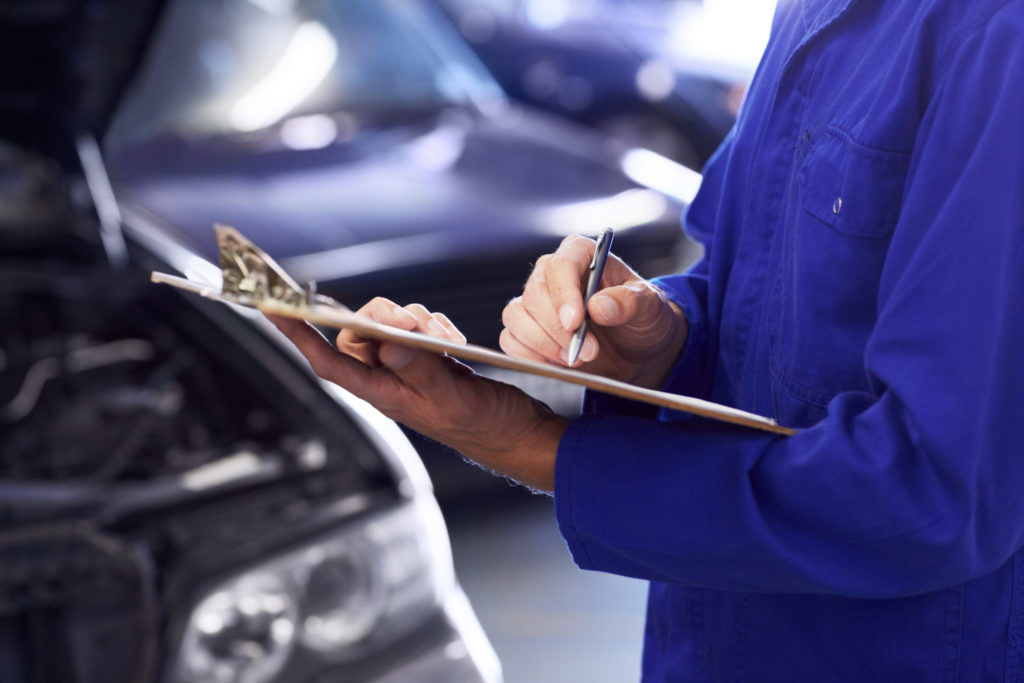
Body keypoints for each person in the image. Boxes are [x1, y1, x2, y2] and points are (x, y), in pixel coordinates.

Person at [271, 0, 1024, 679]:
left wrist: (534, 447)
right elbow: (751, 282)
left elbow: (937, 489)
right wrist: (658, 331)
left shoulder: (996, 36)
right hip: (707, 640)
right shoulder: (809, 13)